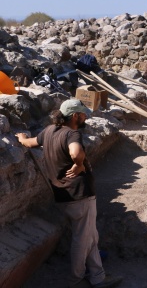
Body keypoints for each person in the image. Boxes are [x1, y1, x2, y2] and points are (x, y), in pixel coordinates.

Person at [16, 99, 123, 288]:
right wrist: (79, 163)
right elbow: (75, 153)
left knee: (90, 236)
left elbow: (31, 142)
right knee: (83, 239)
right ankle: (76, 280)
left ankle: (98, 277)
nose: (85, 117)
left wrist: (21, 138)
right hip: (79, 194)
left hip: (64, 194)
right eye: (82, 114)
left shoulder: (49, 131)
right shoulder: (72, 134)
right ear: (75, 115)